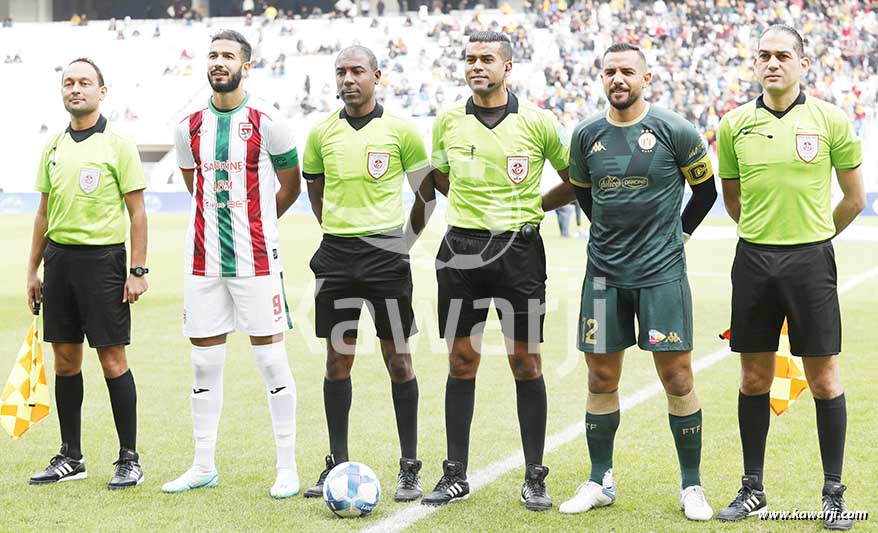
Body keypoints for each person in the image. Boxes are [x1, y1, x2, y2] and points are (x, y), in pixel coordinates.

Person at [546, 42, 717, 521]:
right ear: (601, 79)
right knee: (601, 377)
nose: (618, 79)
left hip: (661, 276)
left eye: (627, 71)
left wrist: (678, 234)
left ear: (646, 77)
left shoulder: (674, 129)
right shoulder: (586, 135)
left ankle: (692, 486)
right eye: (609, 72)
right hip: (603, 277)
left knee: (678, 378)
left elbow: (706, 191)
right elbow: (584, 194)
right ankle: (600, 479)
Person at [715, 25, 865, 531]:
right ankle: (752, 487)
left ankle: (833, 492)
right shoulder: (733, 124)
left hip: (810, 261)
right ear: (754, 65)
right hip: (753, 261)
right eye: (763, 56)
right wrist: (765, 235)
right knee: (754, 377)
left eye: (783, 56)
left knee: (824, 380)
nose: (772, 63)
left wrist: (816, 238)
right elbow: (732, 200)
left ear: (803, 63)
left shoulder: (830, 119)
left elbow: (854, 199)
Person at [420, 31, 570, 511]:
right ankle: (455, 473)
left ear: (508, 67)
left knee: (525, 362)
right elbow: (440, 178)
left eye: (487, 58)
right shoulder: (447, 121)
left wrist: (533, 208)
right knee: (461, 361)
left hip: (519, 254)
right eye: (470, 58)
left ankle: (535, 476)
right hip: (460, 252)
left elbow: (573, 179)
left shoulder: (538, 122)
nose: (476, 65)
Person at [162, 29, 303, 499]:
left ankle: (287, 467)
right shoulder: (189, 126)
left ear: (248, 65)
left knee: (270, 359)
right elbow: (192, 183)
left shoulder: (269, 122)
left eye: (228, 56)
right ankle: (203, 464)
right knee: (204, 365)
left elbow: (291, 186)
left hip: (257, 261)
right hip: (202, 262)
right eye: (213, 55)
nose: (219, 62)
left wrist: (256, 221)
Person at [301, 45, 433, 503]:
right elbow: (314, 191)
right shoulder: (320, 133)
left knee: (399, 360)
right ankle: (336, 460)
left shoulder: (401, 131)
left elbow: (427, 196)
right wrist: (336, 232)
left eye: (357, 71)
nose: (348, 79)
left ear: (377, 76)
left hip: (386, 260)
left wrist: (402, 244)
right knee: (338, 361)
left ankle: (410, 467)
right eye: (341, 72)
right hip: (336, 258)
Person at [26, 58, 148, 489]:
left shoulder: (118, 143)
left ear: (102, 90)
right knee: (64, 360)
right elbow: (43, 214)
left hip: (104, 264)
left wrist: (137, 270)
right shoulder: (53, 146)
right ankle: (71, 456)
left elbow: (137, 212)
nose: (75, 89)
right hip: (59, 263)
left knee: (112, 359)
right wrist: (33, 270)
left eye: (84, 83)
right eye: (68, 83)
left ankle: (129, 458)